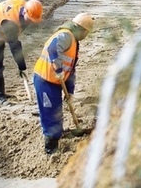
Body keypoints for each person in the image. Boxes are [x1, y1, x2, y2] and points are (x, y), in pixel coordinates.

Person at [33, 12, 96, 154]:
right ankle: (51, 148)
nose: (86, 36)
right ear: (83, 30)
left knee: (56, 111)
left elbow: (71, 70)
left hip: (55, 81)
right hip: (45, 80)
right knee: (49, 112)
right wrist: (58, 68)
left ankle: (57, 133)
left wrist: (70, 92)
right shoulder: (66, 35)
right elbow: (53, 49)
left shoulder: (74, 42)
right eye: (87, 33)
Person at [0, 0, 44, 103]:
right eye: (30, 19)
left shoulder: (23, 5)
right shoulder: (10, 22)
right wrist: (22, 67)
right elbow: (14, 46)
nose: (31, 22)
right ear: (25, 11)